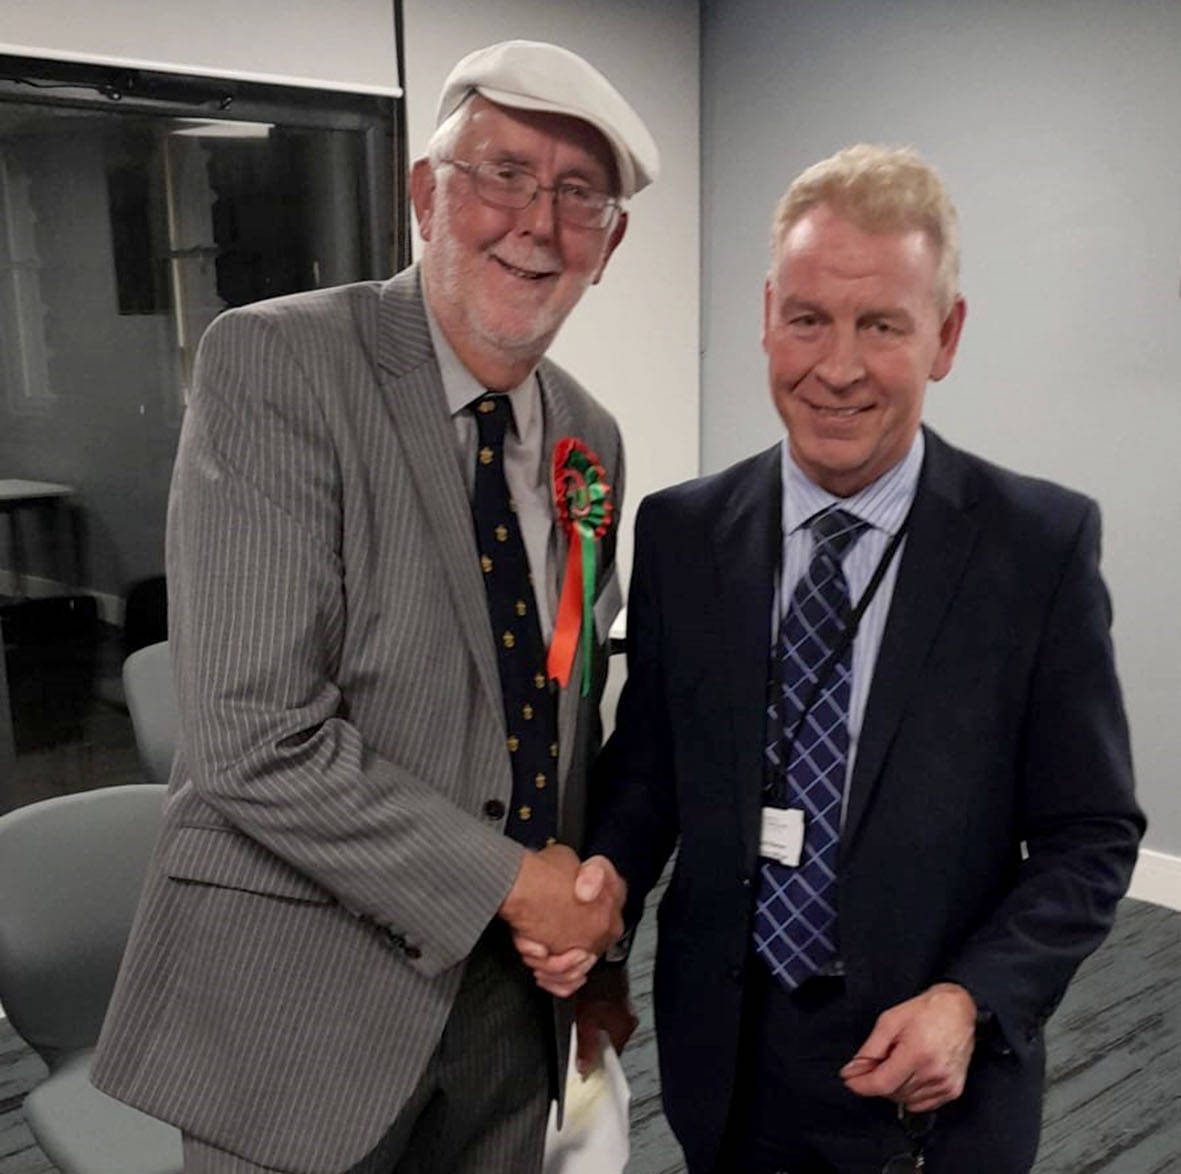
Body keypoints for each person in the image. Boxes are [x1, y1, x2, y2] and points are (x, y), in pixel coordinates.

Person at [92, 39, 658, 1174]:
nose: (535, 223)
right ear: (423, 195)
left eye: (576, 194)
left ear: (608, 242)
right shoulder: (277, 364)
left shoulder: (587, 437)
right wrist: (513, 882)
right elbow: (253, 738)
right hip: (306, 1002)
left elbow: (562, 707)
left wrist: (588, 917)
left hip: (508, 1015)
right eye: (501, 172)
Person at [564, 145, 1144, 1173]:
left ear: (944, 335)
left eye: (879, 324)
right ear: (764, 317)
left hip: (927, 1086)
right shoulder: (684, 533)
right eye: (806, 319)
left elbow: (1088, 835)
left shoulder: (1032, 549)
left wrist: (973, 1000)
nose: (835, 367)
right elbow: (650, 768)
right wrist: (600, 891)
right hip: (727, 1061)